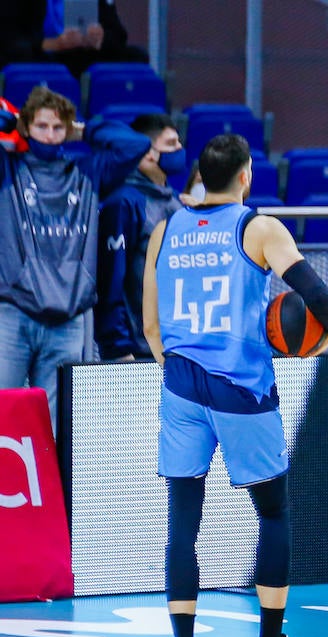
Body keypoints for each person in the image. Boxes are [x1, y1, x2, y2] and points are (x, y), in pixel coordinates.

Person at [142, 133, 328, 637]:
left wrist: (179, 367)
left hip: (181, 386)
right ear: (247, 176)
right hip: (242, 390)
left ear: (201, 175)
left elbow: (151, 324)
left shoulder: (167, 229)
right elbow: (313, 292)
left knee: (184, 523)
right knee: (273, 513)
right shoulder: (258, 228)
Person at [0, 86, 149, 429]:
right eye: (41, 126)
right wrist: (11, 121)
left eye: (57, 128)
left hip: (68, 319)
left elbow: (136, 145)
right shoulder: (6, 171)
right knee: (4, 415)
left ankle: (50, 486)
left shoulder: (88, 171)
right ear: (26, 129)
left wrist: (81, 129)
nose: (50, 136)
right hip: (14, 312)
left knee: (54, 426)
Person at [95, 112, 184, 360]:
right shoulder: (123, 203)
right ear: (146, 153)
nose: (179, 149)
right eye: (170, 144)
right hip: (136, 351)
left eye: (178, 142)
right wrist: (118, 346)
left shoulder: (177, 202)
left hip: (175, 350)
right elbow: (110, 280)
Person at [0, 0, 148, 75]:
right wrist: (52, 44)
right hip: (39, 56)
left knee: (137, 56)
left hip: (84, 55)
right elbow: (8, 38)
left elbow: (118, 34)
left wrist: (101, 38)